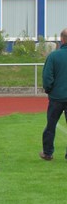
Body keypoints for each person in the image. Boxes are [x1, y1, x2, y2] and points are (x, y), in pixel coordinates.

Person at [40, 28, 67, 160]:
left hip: (57, 97)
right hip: (58, 96)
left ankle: (48, 153)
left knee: (50, 126)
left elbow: (47, 77)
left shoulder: (53, 56)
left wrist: (49, 89)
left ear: (62, 39)